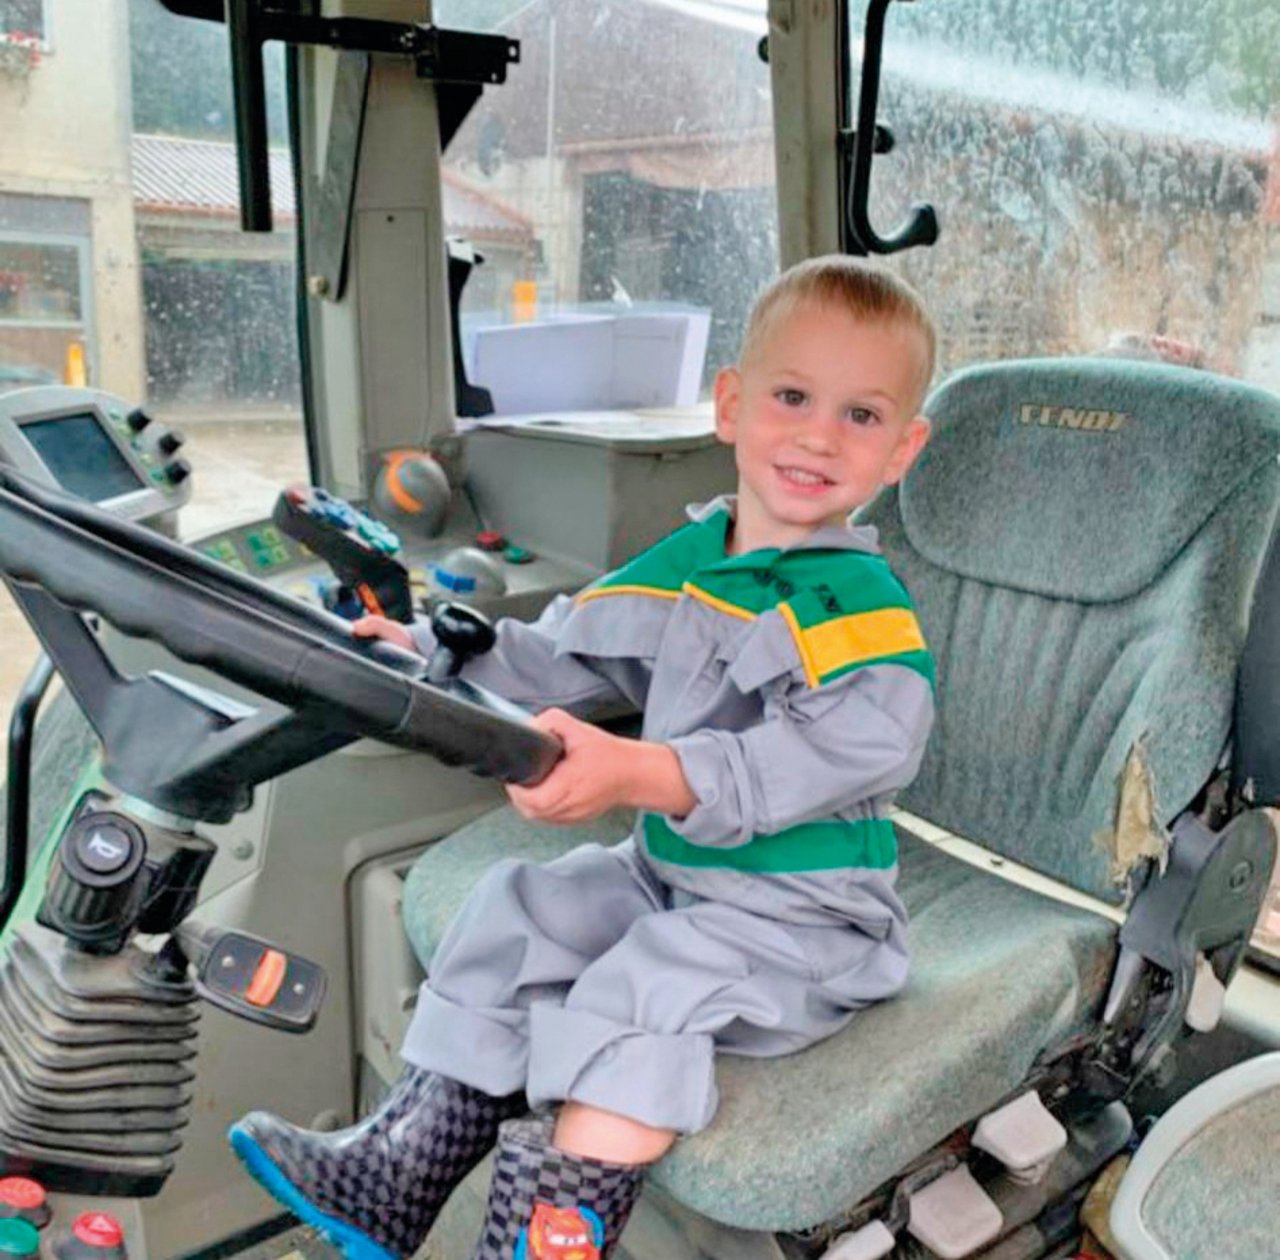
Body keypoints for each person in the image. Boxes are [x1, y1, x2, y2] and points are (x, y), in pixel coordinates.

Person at [229, 255, 938, 1260]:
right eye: (791, 396)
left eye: (860, 416)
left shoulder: (856, 610)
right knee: (519, 908)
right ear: (731, 405)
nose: (819, 434)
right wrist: (431, 649)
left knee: (635, 989)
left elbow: (824, 756)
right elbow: (564, 655)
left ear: (901, 447)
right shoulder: (701, 557)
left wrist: (636, 773)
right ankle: (393, 1173)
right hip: (676, 875)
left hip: (804, 920)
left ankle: (541, 1243)